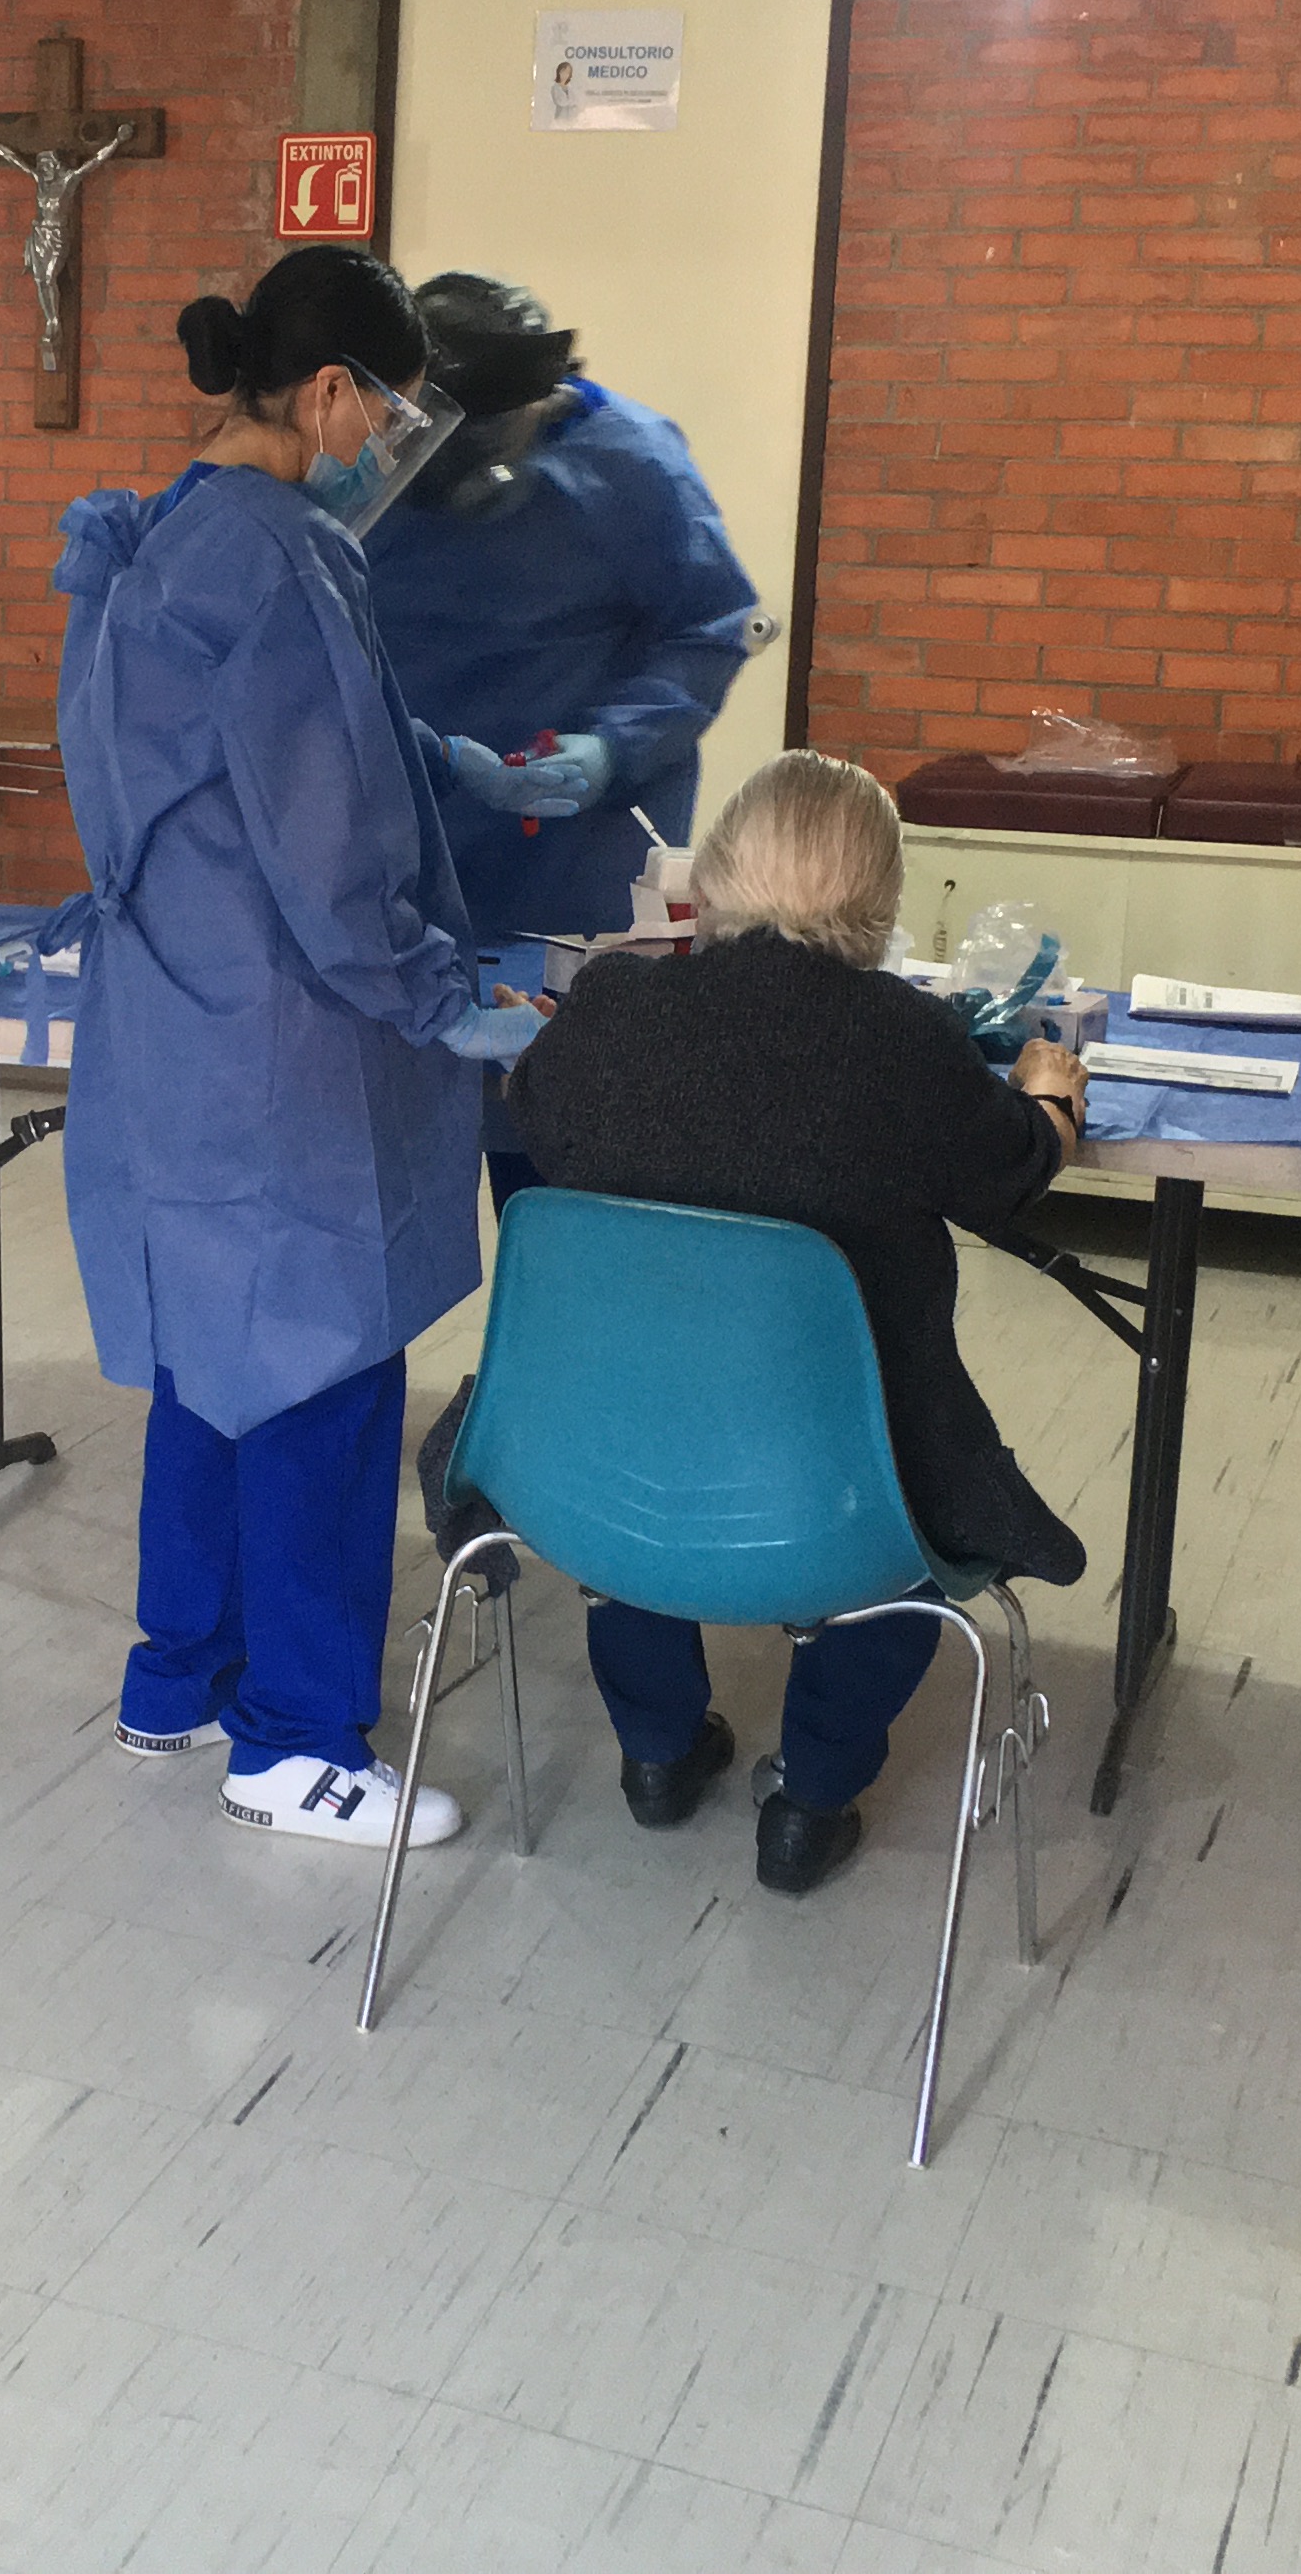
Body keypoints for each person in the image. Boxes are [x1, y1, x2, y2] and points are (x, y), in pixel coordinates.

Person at [54, 247, 542, 1851]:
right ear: (332, 391)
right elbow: (330, 850)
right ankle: (297, 1743)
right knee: (322, 1379)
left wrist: (441, 759)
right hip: (288, 1045)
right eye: (390, 410)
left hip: (173, 1032)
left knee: (208, 1366)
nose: (390, 443)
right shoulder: (284, 554)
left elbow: (227, 764)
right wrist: (439, 994)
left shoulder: (151, 538)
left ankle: (179, 1680)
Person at [502, 750, 1089, 1891]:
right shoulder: (904, 1040)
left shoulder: (610, 1006)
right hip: (841, 1494)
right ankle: (812, 1797)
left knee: (646, 1428)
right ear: (880, 892)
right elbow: (1007, 1173)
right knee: (911, 1512)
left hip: (592, 1471)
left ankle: (659, 1753)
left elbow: (539, 1103)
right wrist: (1052, 1104)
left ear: (717, 870)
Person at [363, 275, 761, 1199]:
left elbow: (710, 627)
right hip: (404, 861)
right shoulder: (368, 467)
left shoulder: (630, 464)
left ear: (538, 402)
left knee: (557, 1149)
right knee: (386, 1159)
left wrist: (615, 746)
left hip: (571, 871)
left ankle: (552, 1288)